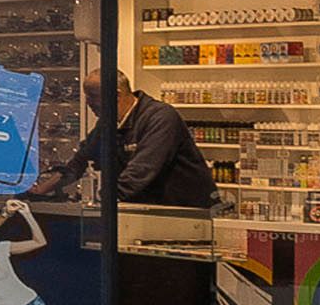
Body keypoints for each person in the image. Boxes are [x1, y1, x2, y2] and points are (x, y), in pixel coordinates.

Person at [58, 66, 217, 210]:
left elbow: (141, 170)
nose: (88, 103)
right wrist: (45, 188)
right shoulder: (108, 123)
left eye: (93, 97)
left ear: (116, 95)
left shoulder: (160, 117)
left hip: (184, 212)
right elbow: (81, 160)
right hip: (146, 211)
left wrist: (102, 199)